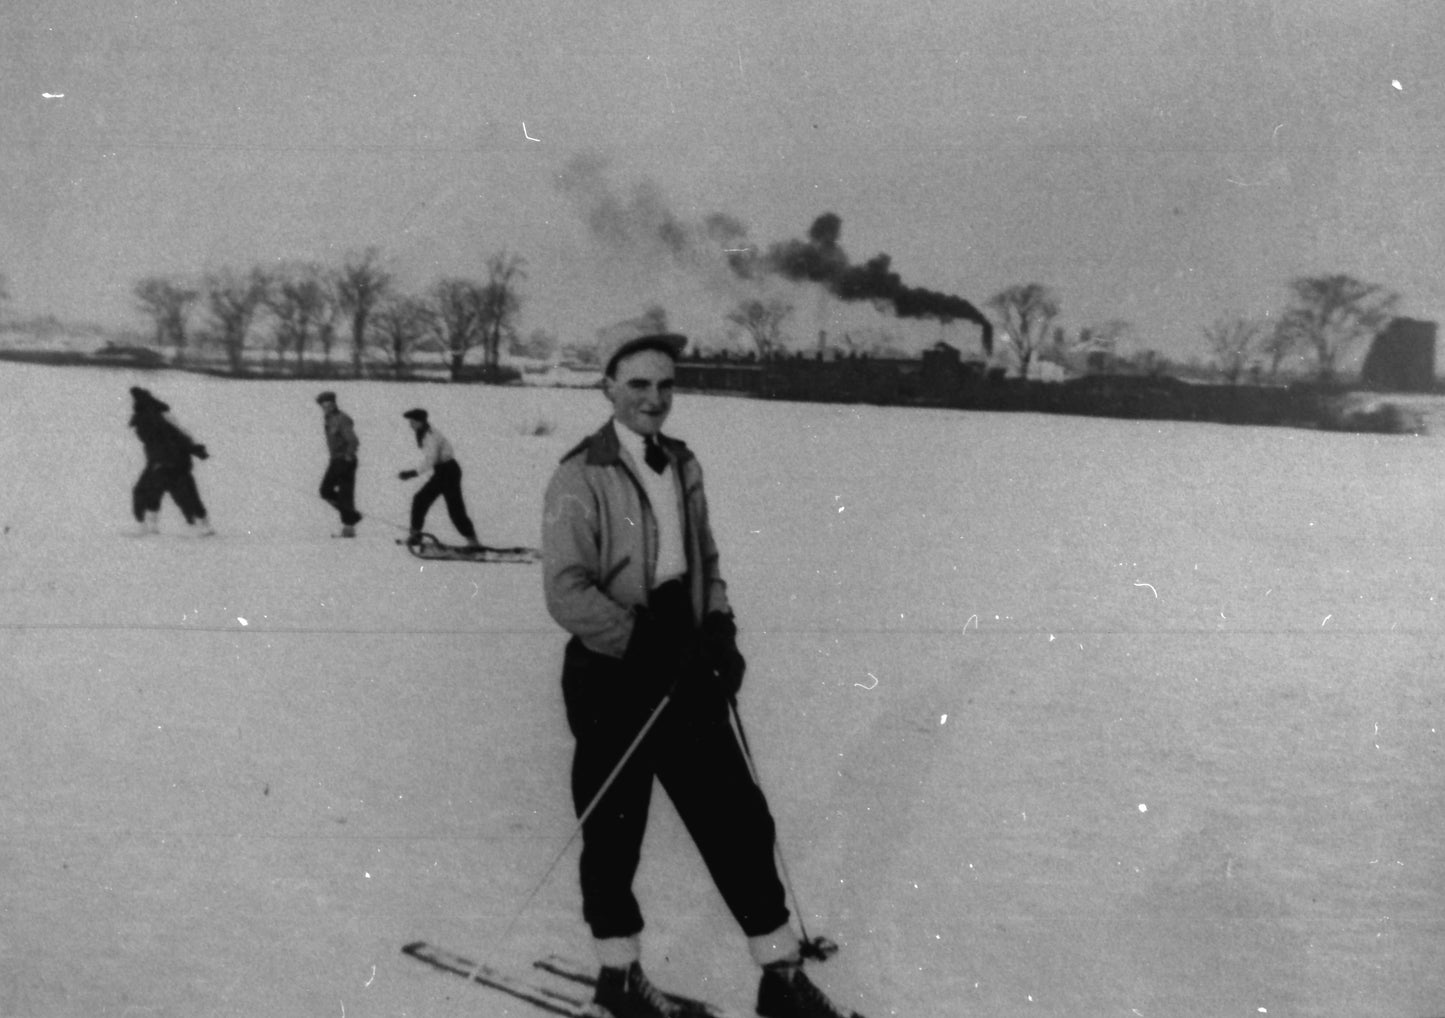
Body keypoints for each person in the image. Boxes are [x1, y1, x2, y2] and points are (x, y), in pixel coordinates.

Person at [541, 334, 860, 1018]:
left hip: (686, 666)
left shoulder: (683, 463)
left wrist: (719, 629)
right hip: (613, 674)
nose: (653, 399)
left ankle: (778, 974)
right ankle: (619, 976)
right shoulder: (579, 474)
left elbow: (704, 562)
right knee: (613, 832)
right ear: (607, 388)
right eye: (637, 386)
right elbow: (565, 592)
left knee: (737, 820)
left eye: (664, 385)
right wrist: (642, 644)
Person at [128, 386, 214, 536]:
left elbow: (177, 437)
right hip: (167, 462)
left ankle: (149, 527)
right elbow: (182, 435)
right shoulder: (160, 416)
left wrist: (193, 449)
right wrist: (195, 449)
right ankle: (200, 524)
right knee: (182, 495)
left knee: (153, 492)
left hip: (167, 463)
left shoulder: (152, 420)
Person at [397, 408, 480, 547]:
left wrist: (413, 473)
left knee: (455, 509)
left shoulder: (430, 436)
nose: (410, 425)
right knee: (420, 499)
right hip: (442, 471)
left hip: (449, 472)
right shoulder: (422, 433)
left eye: (412, 421)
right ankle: (415, 535)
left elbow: (431, 458)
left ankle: (473, 542)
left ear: (420, 422)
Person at [316, 391, 362, 538]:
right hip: (336, 460)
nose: (326, 407)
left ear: (334, 403)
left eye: (329, 404)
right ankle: (351, 517)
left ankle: (349, 525)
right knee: (329, 492)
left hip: (344, 460)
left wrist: (348, 455)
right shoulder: (329, 419)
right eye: (323, 406)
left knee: (340, 493)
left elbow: (353, 440)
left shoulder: (341, 419)